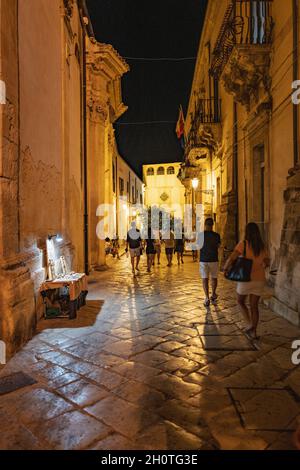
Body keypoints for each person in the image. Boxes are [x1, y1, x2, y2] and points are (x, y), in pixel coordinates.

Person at [224, 222, 270, 340]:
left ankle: (249, 324)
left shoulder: (243, 244)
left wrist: (225, 268)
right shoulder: (262, 246)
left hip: (245, 279)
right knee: (254, 306)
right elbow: (267, 262)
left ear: (247, 232)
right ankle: (253, 331)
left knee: (240, 301)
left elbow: (232, 258)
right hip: (259, 279)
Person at [199, 218, 221, 307]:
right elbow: (219, 245)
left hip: (204, 260)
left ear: (205, 224)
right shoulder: (216, 235)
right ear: (212, 225)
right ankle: (213, 294)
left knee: (205, 279)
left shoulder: (201, 235)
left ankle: (207, 298)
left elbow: (198, 246)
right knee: (214, 278)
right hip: (214, 259)